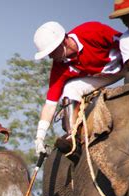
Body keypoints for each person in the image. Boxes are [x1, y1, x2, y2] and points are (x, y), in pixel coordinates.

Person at [33, 21, 124, 155]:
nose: (50, 56)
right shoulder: (59, 67)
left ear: (63, 41)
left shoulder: (91, 30)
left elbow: (126, 42)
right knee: (70, 88)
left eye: (51, 51)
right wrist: (40, 137)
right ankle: (73, 137)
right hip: (103, 76)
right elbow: (50, 104)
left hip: (127, 62)